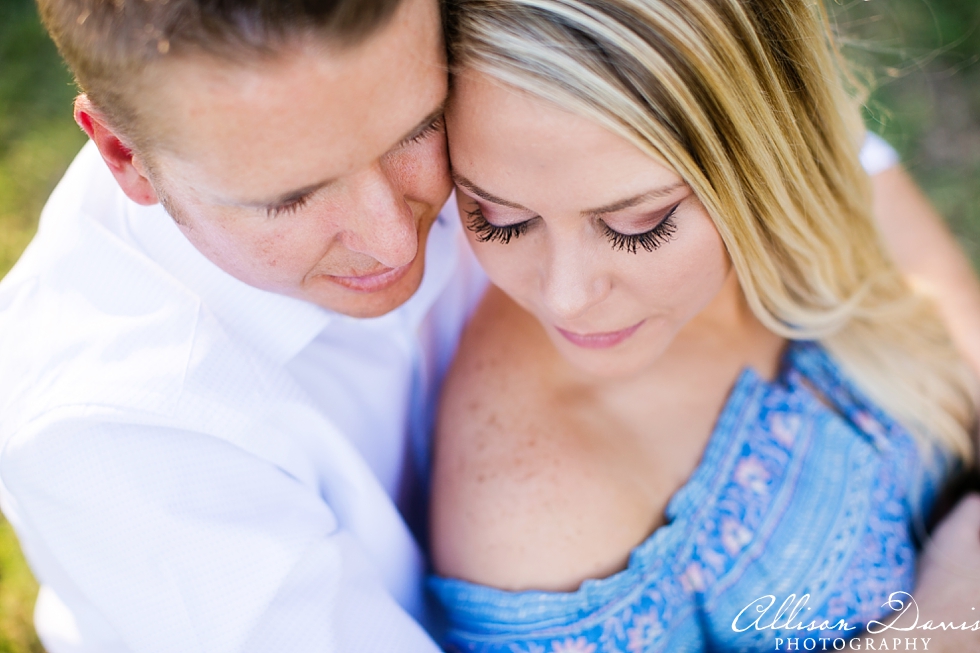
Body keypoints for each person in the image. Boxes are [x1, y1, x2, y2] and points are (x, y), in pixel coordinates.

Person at [0, 0, 977, 652]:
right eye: (289, 198)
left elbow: (762, 118)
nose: (395, 236)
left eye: (418, 135)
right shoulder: (117, 441)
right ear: (123, 155)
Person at [427, 0, 980, 651]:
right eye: (498, 217)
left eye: (639, 223)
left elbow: (955, 329)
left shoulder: (819, 172)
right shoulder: (531, 518)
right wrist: (943, 619)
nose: (566, 297)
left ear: (767, 149)